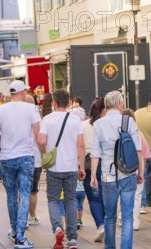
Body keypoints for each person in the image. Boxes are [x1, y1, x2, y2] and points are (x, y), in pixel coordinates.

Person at [0, 80, 41, 248]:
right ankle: (20, 236)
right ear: (23, 92)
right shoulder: (32, 109)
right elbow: (38, 135)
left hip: (6, 158)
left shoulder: (0, 109)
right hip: (26, 157)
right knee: (25, 194)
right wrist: (45, 153)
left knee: (11, 196)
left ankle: (14, 229)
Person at [90, 91, 144, 249]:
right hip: (128, 174)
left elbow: (95, 152)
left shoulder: (98, 124)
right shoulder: (129, 121)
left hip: (108, 176)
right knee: (127, 217)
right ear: (119, 104)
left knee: (110, 217)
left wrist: (93, 175)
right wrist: (140, 171)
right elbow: (138, 150)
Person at [38, 89, 86, 249]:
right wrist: (81, 165)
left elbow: (41, 140)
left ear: (55, 102)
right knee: (70, 200)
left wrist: (46, 155)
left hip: (54, 168)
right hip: (71, 167)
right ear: (68, 102)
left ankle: (57, 228)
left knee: (53, 199)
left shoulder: (47, 119)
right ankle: (72, 239)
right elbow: (80, 144)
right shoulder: (75, 120)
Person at [81, 98, 107, 241]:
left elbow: (79, 145)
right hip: (106, 163)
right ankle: (107, 225)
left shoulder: (83, 125)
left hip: (89, 163)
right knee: (106, 195)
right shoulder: (107, 124)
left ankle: (101, 225)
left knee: (94, 198)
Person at [122, 108, 150, 231]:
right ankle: (135, 220)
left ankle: (121, 218)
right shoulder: (138, 134)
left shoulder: (118, 132)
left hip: (121, 168)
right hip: (136, 167)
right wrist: (141, 170)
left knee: (122, 194)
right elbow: (144, 154)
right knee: (137, 195)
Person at [23, 94, 43, 228]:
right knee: (33, 191)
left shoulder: (16, 117)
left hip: (19, 157)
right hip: (35, 158)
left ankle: (22, 218)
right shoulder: (38, 118)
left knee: (21, 190)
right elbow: (41, 139)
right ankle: (32, 216)